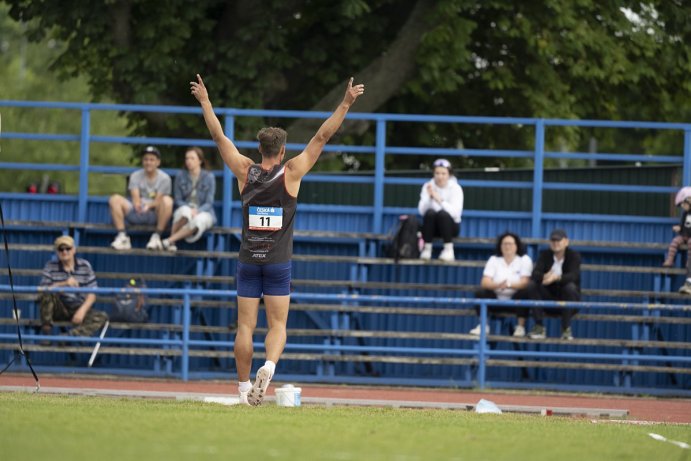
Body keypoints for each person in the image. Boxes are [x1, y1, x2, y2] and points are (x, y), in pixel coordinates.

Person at [191, 73, 364, 406]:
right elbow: (323, 135)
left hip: (247, 261)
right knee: (278, 324)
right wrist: (345, 102)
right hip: (278, 263)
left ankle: (243, 390)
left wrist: (206, 102)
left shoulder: (245, 170)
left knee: (244, 326)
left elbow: (217, 135)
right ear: (283, 150)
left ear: (259, 148)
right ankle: (268, 366)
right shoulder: (293, 171)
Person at [38, 235, 108, 339]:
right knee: (46, 294)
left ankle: (68, 337)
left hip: (78, 306)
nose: (64, 252)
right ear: (57, 252)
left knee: (102, 317)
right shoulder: (50, 266)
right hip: (59, 308)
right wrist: (64, 283)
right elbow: (42, 289)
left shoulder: (85, 266)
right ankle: (46, 333)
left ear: (74, 250)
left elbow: (92, 293)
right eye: (61, 249)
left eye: (68, 248)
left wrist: (82, 311)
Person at [109, 146, 173, 250]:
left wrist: (149, 205)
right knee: (114, 199)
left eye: (152, 160)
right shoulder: (135, 175)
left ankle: (156, 236)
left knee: (168, 201)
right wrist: (138, 205)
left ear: (158, 162)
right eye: (146, 159)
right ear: (143, 162)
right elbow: (135, 198)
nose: (148, 162)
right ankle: (122, 236)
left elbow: (158, 200)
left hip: (155, 214)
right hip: (137, 212)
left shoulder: (165, 178)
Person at [469, 232, 533, 337]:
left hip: (515, 302)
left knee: (526, 292)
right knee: (480, 292)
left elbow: (525, 282)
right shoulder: (494, 260)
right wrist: (498, 285)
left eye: (511, 244)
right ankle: (483, 326)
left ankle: (520, 327)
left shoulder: (524, 259)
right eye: (504, 244)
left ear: (517, 245)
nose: (507, 246)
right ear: (500, 246)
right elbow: (484, 282)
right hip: (496, 300)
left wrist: (508, 284)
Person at [524, 229, 581, 340]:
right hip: (548, 299)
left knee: (570, 287)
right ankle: (539, 327)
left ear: (566, 242)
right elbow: (535, 274)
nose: (555, 243)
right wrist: (544, 277)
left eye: (558, 240)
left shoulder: (574, 256)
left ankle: (566, 329)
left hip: (569, 300)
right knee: (532, 286)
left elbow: (573, 276)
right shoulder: (544, 255)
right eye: (553, 240)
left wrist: (556, 278)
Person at [161, 146, 217, 251]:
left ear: (200, 160)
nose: (188, 161)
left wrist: (198, 211)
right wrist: (190, 210)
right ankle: (170, 242)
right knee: (185, 212)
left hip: (204, 211)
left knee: (199, 221)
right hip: (185, 207)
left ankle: (170, 241)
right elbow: (178, 199)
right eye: (187, 158)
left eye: (192, 158)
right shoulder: (180, 176)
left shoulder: (209, 177)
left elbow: (209, 203)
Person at [417, 158, 464, 261]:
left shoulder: (456, 188)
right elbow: (421, 211)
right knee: (430, 213)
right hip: (432, 228)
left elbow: (456, 214)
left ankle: (448, 249)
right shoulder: (427, 186)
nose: (440, 176)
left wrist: (440, 200)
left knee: (443, 214)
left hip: (451, 228)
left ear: (449, 174)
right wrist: (430, 198)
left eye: (443, 173)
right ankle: (427, 248)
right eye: (437, 173)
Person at [665, 196, 691, 294]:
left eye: (685, 204)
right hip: (684, 235)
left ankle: (689, 262)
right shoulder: (684, 214)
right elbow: (681, 225)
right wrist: (679, 228)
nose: (683, 206)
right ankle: (670, 259)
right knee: (675, 241)